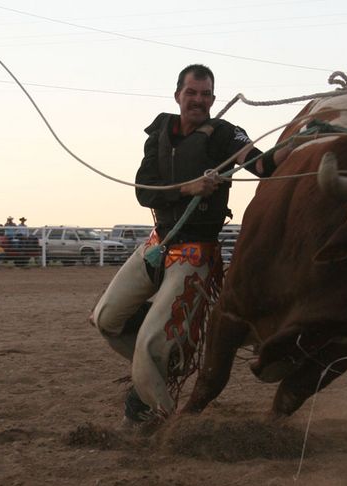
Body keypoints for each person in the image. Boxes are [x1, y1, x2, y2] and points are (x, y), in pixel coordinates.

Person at [90, 64, 291, 426]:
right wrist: (190, 188)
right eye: (192, 93)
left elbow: (262, 166)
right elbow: (143, 192)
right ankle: (173, 360)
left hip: (195, 254)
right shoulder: (159, 134)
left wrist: (300, 141)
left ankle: (162, 419)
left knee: (151, 345)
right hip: (158, 244)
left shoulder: (225, 136)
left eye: (205, 94)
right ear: (178, 95)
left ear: (213, 99)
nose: (198, 100)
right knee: (106, 319)